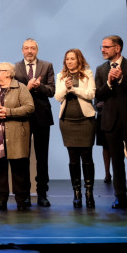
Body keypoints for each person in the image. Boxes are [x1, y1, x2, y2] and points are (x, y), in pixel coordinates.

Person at [95, 35, 127, 210]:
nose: (102, 49)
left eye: (106, 47)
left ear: (117, 48)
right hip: (111, 122)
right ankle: (120, 197)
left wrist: (123, 80)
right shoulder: (101, 69)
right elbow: (98, 95)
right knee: (116, 162)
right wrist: (109, 83)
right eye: (102, 47)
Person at [0, 62, 34, 211]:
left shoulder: (20, 88)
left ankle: (21, 200)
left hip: (16, 135)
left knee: (19, 170)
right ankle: (1, 200)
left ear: (9, 73)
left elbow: (29, 107)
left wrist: (8, 112)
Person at [13, 38, 56, 207]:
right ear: (22, 50)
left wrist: (39, 87)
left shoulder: (47, 66)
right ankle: (24, 194)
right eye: (26, 48)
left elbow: (52, 91)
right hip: (22, 117)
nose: (29, 51)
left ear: (37, 50)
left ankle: (42, 194)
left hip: (42, 116)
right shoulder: (15, 67)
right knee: (23, 157)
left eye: (32, 48)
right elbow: (13, 93)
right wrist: (28, 88)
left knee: (42, 157)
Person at [54, 49, 97, 208]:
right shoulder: (60, 76)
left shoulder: (87, 73)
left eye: (72, 59)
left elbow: (90, 94)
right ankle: (77, 193)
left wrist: (74, 88)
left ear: (79, 60)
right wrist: (65, 88)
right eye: (67, 59)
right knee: (73, 159)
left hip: (86, 120)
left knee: (87, 157)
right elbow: (58, 97)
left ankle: (89, 193)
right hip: (67, 122)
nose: (69, 62)